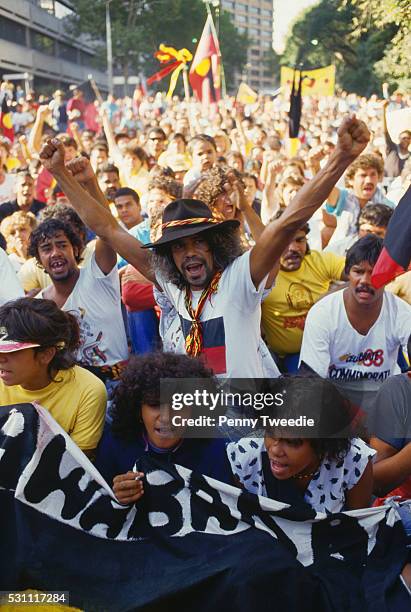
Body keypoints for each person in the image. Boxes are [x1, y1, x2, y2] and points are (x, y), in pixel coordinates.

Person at [39, 116, 371, 377]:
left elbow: (286, 223)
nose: (190, 252)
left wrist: (340, 158)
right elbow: (107, 228)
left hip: (245, 421)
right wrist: (59, 173)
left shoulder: (240, 279)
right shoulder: (171, 282)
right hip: (193, 418)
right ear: (169, 256)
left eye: (199, 242)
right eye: (179, 247)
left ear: (216, 246)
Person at [28, 157, 129, 384]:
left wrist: (90, 183)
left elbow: (106, 228)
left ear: (75, 248)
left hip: (117, 384)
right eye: (46, 248)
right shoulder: (39, 306)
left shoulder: (98, 274)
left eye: (62, 245)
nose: (55, 253)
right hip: (71, 391)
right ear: (38, 259)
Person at [95, 352, 233, 498]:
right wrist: (115, 497)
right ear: (137, 409)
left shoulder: (212, 446)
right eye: (155, 405)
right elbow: (95, 503)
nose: (166, 418)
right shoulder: (115, 443)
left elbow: (225, 508)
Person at [227, 376, 374, 513]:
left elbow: (357, 529)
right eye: (270, 433)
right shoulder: (244, 458)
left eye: (291, 442)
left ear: (323, 444)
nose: (275, 450)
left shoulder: (353, 462)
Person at [0, 297, 106, 457]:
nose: (1, 358)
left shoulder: (88, 391)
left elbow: (76, 466)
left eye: (12, 351)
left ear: (46, 354)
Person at [299, 235, 411, 384]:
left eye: (373, 273)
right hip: (334, 398)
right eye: (358, 272)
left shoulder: (401, 312)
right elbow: (311, 379)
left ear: (389, 278)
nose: (364, 280)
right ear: (347, 273)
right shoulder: (322, 313)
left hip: (384, 396)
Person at [262, 216, 346, 372]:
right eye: (285, 242)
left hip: (334, 348)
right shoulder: (263, 274)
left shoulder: (320, 261)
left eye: (299, 240)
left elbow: (362, 276)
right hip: (294, 358)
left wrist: (331, 295)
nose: (293, 248)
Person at [324, 203, 393, 257]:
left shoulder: (395, 254)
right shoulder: (336, 251)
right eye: (368, 232)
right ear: (359, 229)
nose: (372, 238)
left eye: (378, 233)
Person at [382, 100, 411, 178]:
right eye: (403, 138)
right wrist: (383, 110)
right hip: (386, 181)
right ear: (399, 138)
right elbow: (385, 131)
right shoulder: (392, 148)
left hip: (400, 187)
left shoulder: (409, 156)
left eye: (408, 138)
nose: (406, 140)